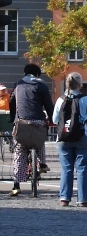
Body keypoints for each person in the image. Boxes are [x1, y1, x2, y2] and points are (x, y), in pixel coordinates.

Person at [52, 71, 87, 207]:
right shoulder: (85, 100)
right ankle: (83, 199)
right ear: (79, 85)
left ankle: (64, 198)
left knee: (66, 168)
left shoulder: (60, 100)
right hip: (82, 137)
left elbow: (55, 120)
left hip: (63, 138)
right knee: (82, 168)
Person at [9, 63, 54, 197]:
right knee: (39, 142)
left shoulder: (18, 84)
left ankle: (16, 186)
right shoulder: (41, 85)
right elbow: (48, 104)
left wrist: (13, 118)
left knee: (18, 153)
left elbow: (11, 101)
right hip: (38, 120)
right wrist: (51, 118)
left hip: (21, 122)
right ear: (38, 74)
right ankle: (43, 164)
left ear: (25, 73)